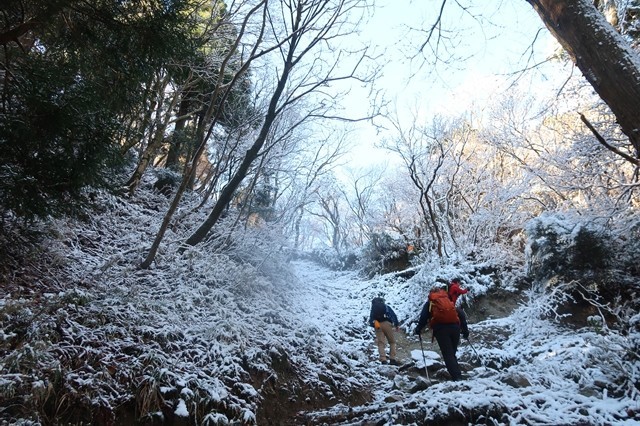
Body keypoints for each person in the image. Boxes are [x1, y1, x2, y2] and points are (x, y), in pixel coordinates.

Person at [414, 285, 469, 381]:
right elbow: (460, 313)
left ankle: (457, 378)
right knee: (452, 353)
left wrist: (418, 329)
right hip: (455, 328)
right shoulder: (447, 300)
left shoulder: (431, 302)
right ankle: (457, 375)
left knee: (448, 354)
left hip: (441, 329)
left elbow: (423, 317)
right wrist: (465, 331)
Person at [368, 297, 400, 364]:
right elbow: (393, 315)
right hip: (387, 324)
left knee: (381, 343)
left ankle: (383, 359)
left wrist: (374, 325)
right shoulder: (386, 307)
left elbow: (371, 319)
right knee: (392, 342)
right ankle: (392, 359)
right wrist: (396, 324)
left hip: (378, 325)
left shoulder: (373, 309)